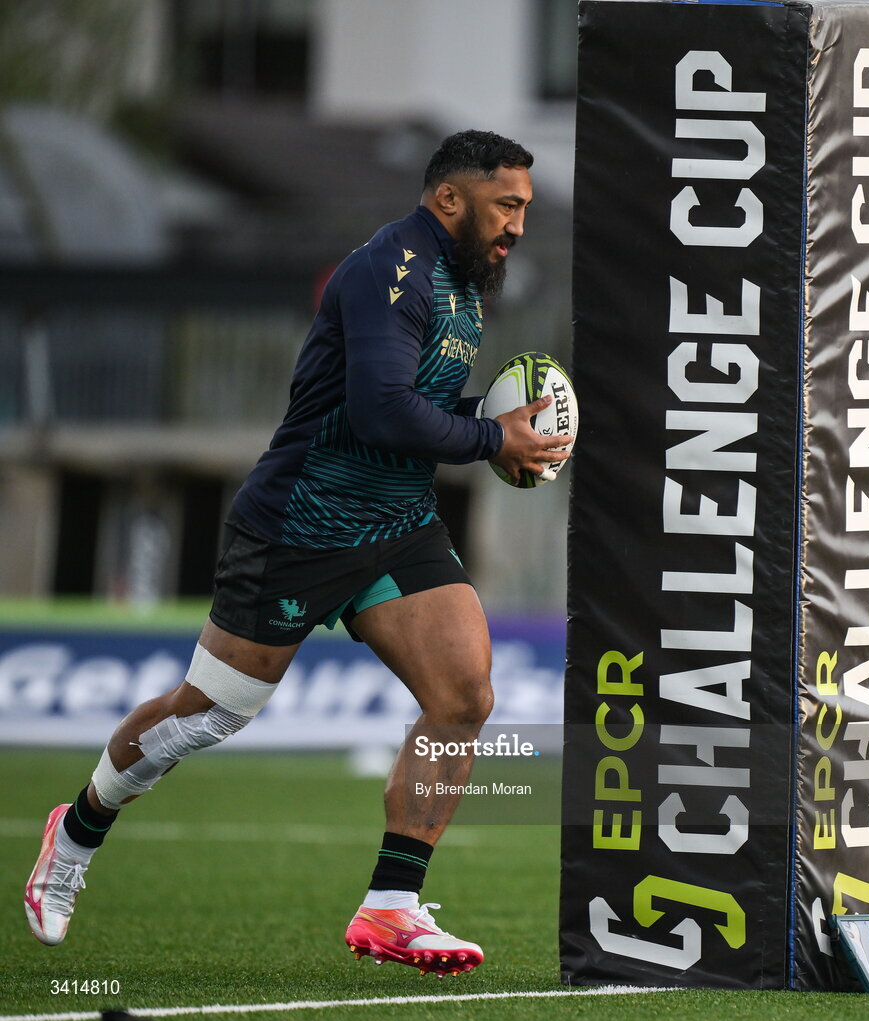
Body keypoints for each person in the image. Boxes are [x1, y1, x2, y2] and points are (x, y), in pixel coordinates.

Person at [24, 130, 572, 976]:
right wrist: (487, 437)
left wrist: (500, 424)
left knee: (464, 694)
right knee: (210, 713)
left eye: (526, 209)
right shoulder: (388, 271)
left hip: (395, 522)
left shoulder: (463, 281)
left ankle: (391, 906)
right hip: (300, 526)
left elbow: (417, 402)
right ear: (450, 200)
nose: (519, 226)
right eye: (507, 206)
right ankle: (79, 830)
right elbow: (382, 411)